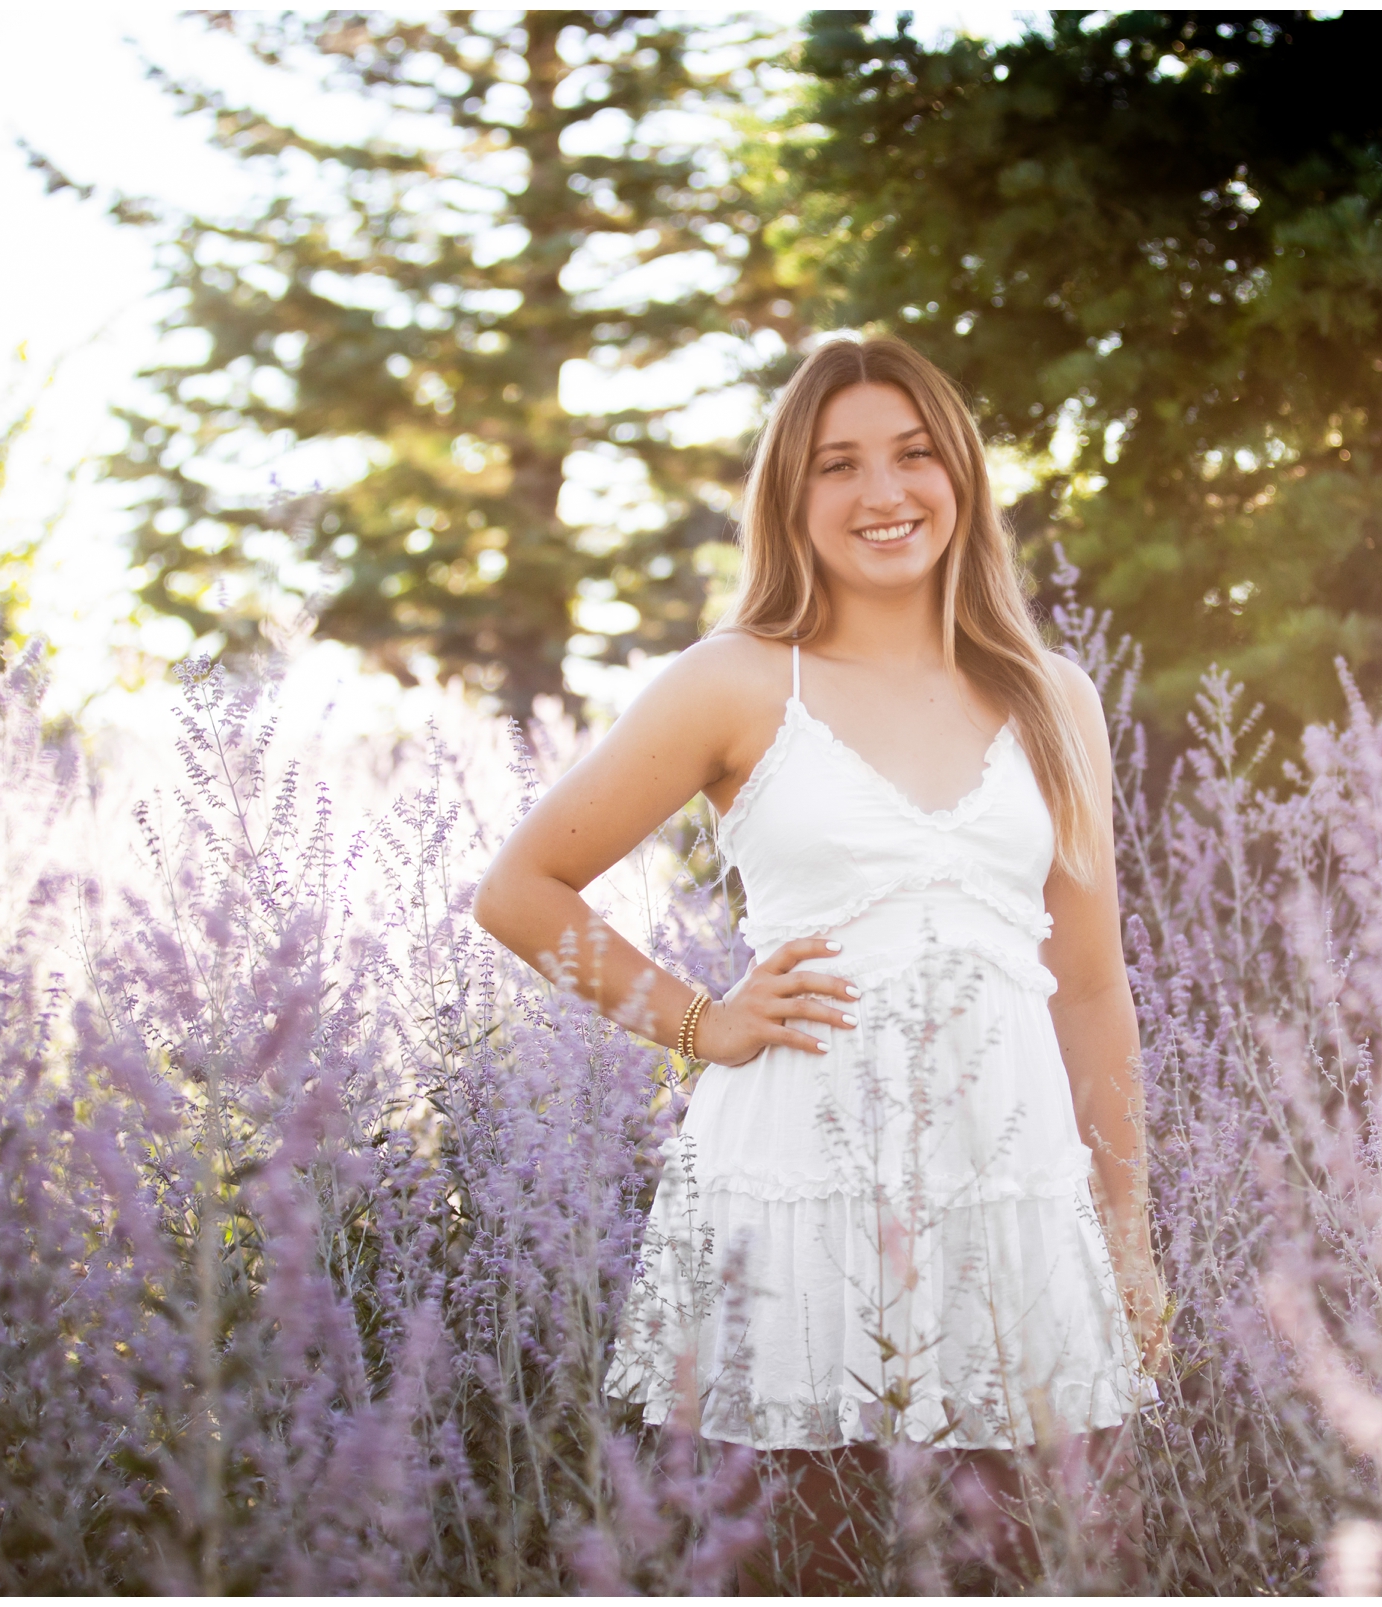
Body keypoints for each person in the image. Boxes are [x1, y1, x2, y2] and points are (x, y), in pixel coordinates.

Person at [474, 334, 1163, 1586]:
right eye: (837, 465)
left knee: (1029, 1560)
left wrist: (1129, 1231)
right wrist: (701, 1022)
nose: (883, 493)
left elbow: (1095, 988)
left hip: (1007, 1206)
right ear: (791, 499)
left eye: (912, 454)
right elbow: (521, 889)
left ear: (960, 474)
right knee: (800, 1562)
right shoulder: (737, 681)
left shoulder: (1054, 695)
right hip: (794, 1200)